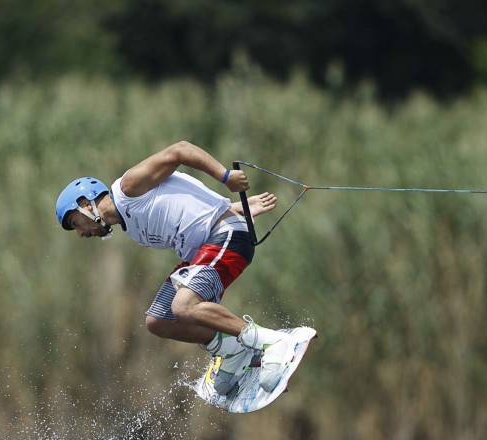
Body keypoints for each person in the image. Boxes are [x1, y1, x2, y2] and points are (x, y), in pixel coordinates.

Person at [56, 140, 304, 395]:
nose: (81, 234)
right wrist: (238, 208)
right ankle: (233, 352)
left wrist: (225, 176)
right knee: (158, 321)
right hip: (204, 249)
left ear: (86, 203)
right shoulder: (133, 230)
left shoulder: (128, 188)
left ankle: (271, 343)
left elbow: (179, 150)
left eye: (76, 224)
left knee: (183, 306)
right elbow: (190, 208)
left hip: (225, 236)